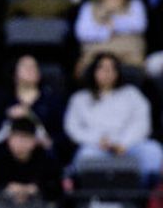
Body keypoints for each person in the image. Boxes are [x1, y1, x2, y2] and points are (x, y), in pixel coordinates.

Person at [64, 52, 163, 184]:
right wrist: (98, 140)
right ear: (93, 71)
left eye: (111, 69)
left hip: (130, 145)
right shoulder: (80, 98)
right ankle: (92, 195)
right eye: (102, 68)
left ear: (117, 73)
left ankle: (142, 191)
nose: (107, 72)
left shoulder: (132, 94)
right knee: (84, 157)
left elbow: (142, 123)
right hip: (96, 146)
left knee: (153, 152)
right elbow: (73, 128)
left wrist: (124, 143)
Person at [75, 0, 147, 73]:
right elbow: (82, 33)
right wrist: (105, 30)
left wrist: (113, 22)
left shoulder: (135, 4)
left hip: (128, 57)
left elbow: (139, 25)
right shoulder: (89, 6)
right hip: (95, 56)